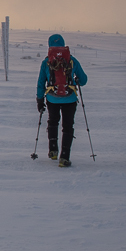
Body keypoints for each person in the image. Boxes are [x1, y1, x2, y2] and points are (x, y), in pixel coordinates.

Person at [36, 34, 88, 167]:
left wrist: (40, 100)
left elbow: (41, 83)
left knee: (53, 121)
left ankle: (53, 149)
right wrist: (75, 79)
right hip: (69, 98)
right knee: (68, 126)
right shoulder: (72, 60)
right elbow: (83, 80)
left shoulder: (46, 62)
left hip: (52, 98)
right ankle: (64, 157)